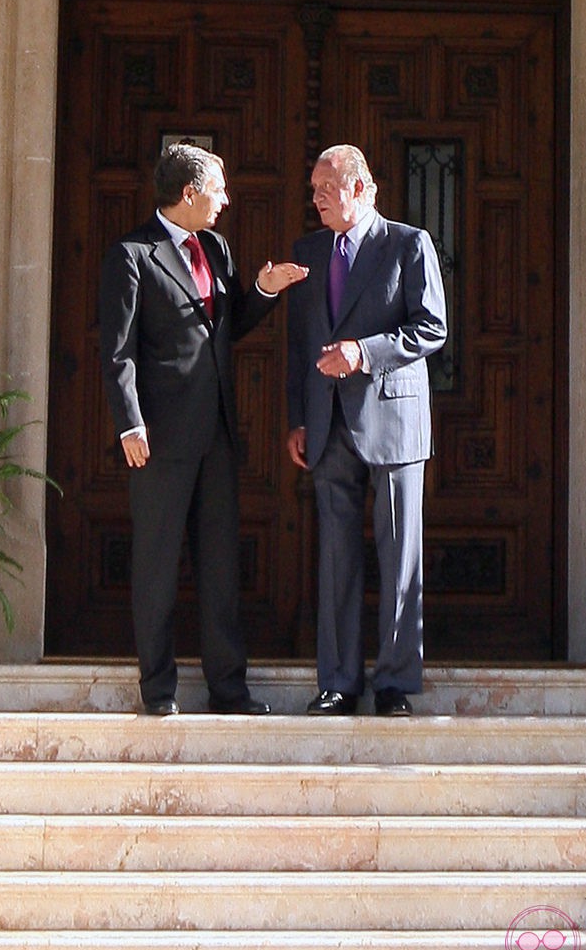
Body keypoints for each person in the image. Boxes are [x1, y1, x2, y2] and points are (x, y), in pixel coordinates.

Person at [100, 142, 308, 717]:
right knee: (158, 566)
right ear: (188, 194)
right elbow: (118, 353)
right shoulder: (132, 255)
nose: (226, 200)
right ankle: (159, 690)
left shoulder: (215, 247)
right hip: (160, 438)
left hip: (217, 435)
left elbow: (228, 325)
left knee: (220, 567)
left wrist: (263, 291)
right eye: (217, 189)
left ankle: (229, 690)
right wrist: (129, 423)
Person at [286, 144, 447, 717]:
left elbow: (431, 328)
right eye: (313, 189)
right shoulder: (307, 252)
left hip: (395, 420)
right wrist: (298, 417)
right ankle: (338, 681)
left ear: (361, 188)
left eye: (326, 187)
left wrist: (364, 352)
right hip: (328, 425)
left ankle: (396, 683)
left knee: (401, 553)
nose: (317, 197)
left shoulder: (408, 243)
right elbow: (300, 342)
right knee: (335, 556)